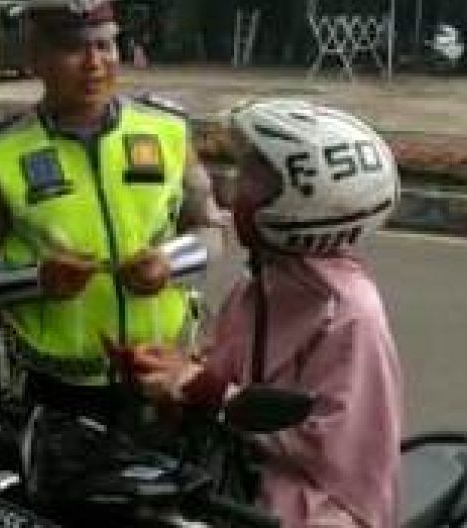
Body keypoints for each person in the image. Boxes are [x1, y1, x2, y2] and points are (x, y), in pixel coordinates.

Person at [0, 0, 229, 419]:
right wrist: (36, 282)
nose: (95, 62)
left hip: (163, 376)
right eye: (74, 48)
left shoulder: (167, 131)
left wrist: (168, 264)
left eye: (105, 44)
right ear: (36, 59)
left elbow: (209, 229)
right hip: (53, 390)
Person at [130, 100, 403, 528]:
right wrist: (176, 374)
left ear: (302, 202)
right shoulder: (261, 283)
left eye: (256, 181)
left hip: (316, 508)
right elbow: (226, 372)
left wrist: (211, 392)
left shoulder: (348, 315)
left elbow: (336, 444)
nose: (237, 191)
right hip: (241, 482)